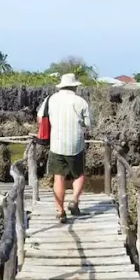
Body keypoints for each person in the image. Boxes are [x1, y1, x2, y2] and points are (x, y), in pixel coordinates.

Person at [42, 73, 92, 222]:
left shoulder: (50, 99)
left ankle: (60, 211)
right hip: (75, 144)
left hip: (56, 143)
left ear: (61, 85)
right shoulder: (81, 101)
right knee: (79, 174)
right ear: (75, 86)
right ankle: (74, 201)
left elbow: (40, 117)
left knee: (59, 177)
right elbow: (88, 123)